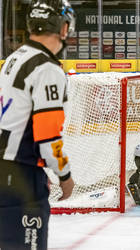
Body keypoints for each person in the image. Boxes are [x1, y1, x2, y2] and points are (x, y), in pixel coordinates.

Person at [0, 0, 75, 249]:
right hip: (20, 176)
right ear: (63, 27)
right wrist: (64, 174)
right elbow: (48, 136)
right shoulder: (46, 68)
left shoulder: (14, 58)